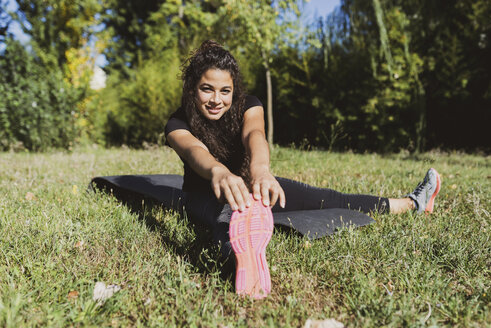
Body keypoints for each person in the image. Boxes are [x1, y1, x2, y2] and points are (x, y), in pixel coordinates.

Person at [164, 40, 441, 299]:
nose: (216, 99)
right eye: (207, 89)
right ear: (192, 88)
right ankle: (240, 264)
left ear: (234, 90)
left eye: (225, 90)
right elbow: (194, 151)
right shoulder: (177, 123)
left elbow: (255, 135)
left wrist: (260, 170)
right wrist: (218, 172)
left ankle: (412, 203)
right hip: (203, 195)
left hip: (253, 186)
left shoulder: (249, 105)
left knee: (328, 198)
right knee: (228, 214)